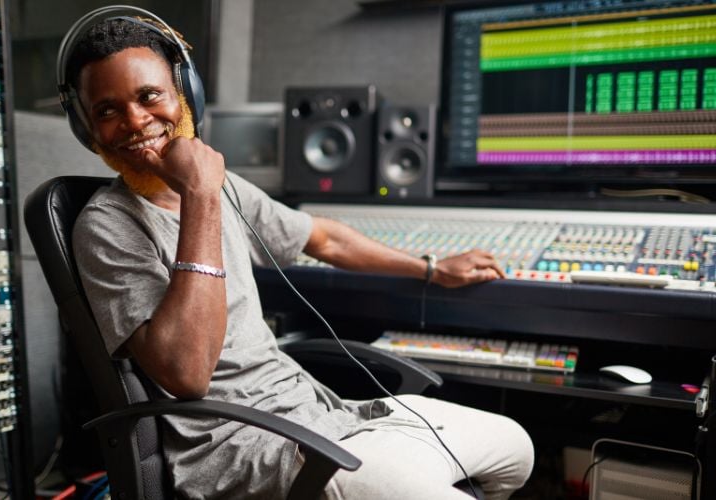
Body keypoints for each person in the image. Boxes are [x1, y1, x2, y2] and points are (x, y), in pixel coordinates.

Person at [63, 11, 534, 500]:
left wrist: (431, 269)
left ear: (185, 93)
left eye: (148, 96)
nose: (135, 121)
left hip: (321, 415)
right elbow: (187, 375)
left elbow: (322, 238)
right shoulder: (107, 226)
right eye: (107, 111)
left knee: (515, 449)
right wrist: (200, 196)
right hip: (235, 447)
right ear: (87, 129)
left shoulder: (227, 187)